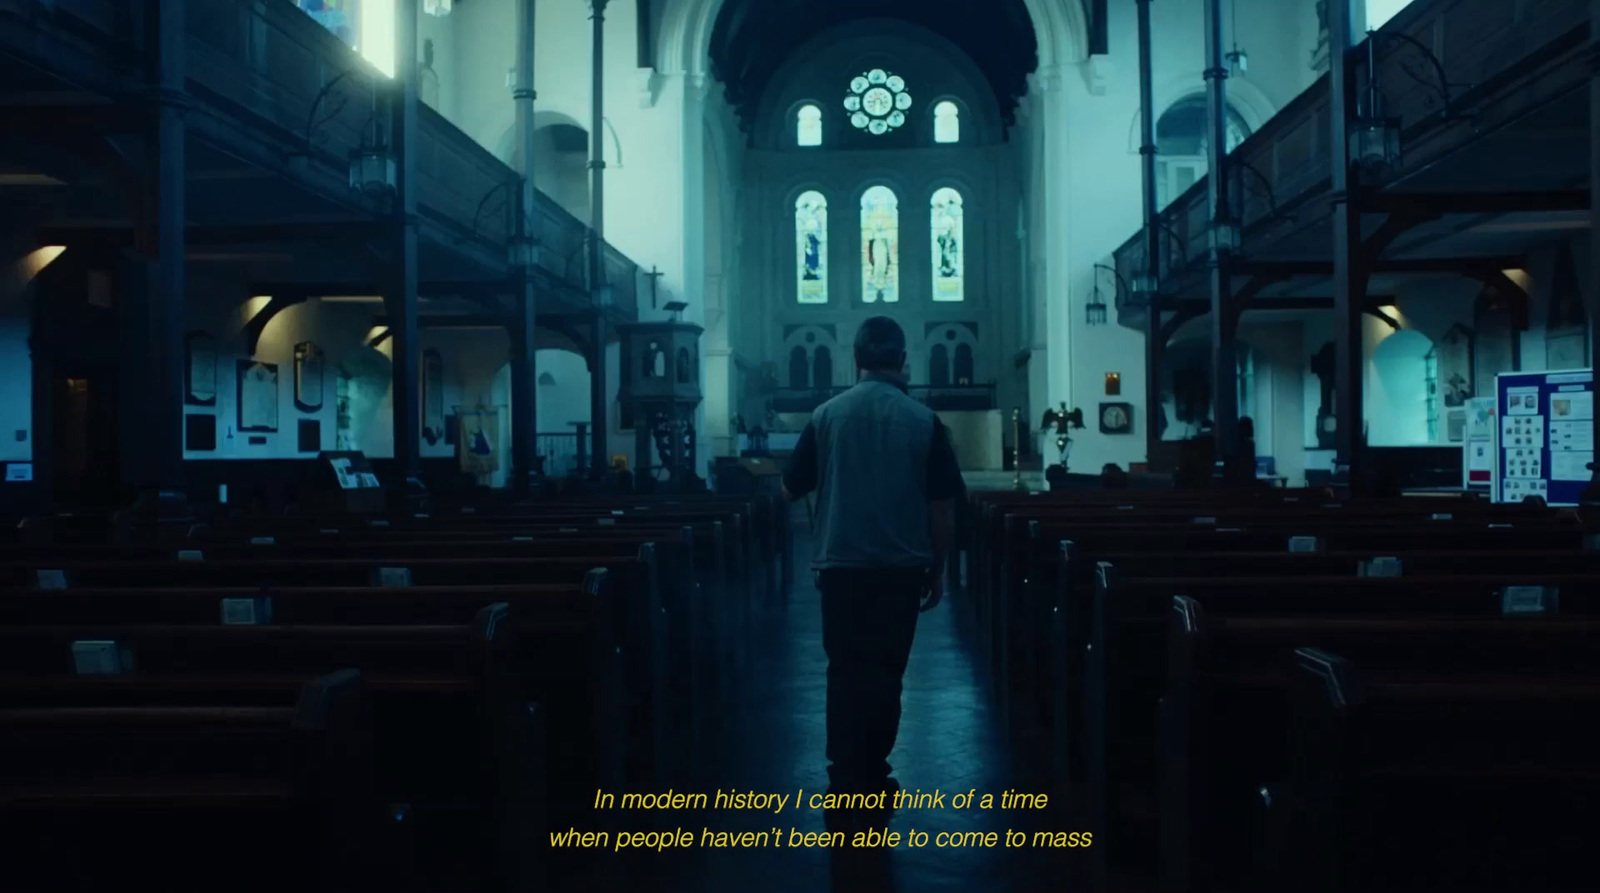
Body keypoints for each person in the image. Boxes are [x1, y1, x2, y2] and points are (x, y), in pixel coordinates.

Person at [781, 316, 964, 825]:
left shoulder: (825, 415)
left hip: (842, 567)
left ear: (855, 361)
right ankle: (875, 774)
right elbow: (942, 505)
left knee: (844, 673)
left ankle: (844, 779)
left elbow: (791, 487)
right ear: (903, 361)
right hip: (899, 568)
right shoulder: (924, 422)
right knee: (886, 674)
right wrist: (939, 569)